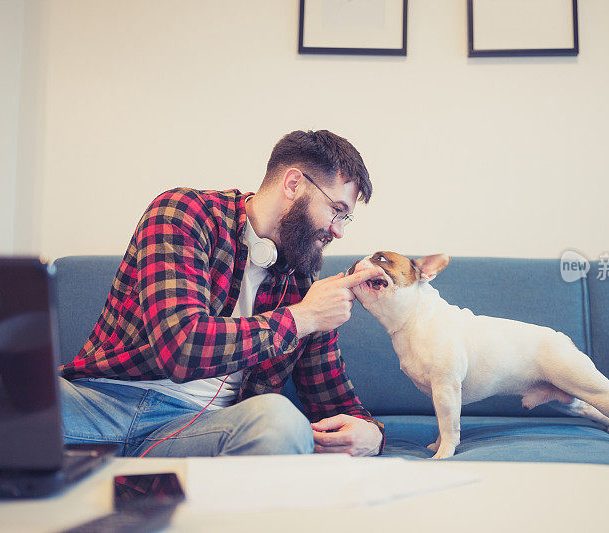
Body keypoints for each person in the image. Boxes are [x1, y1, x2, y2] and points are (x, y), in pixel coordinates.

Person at [59, 130, 386, 458]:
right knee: (12, 394)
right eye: (336, 210)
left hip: (196, 429)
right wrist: (304, 316)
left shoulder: (303, 280)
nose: (339, 231)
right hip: (99, 406)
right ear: (293, 184)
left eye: (346, 218)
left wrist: (372, 435)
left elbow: (335, 405)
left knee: (282, 421)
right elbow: (181, 348)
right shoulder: (184, 212)